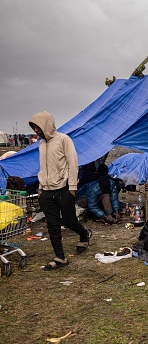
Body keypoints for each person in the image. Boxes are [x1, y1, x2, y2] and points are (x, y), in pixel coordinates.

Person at [29, 111, 92, 270]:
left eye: (38, 127)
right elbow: (43, 168)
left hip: (64, 189)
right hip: (47, 192)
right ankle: (60, 257)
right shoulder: (41, 144)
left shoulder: (64, 140)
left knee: (69, 221)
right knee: (52, 225)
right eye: (34, 127)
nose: (36, 131)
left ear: (47, 125)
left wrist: (72, 188)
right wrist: (41, 188)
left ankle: (84, 234)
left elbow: (73, 163)